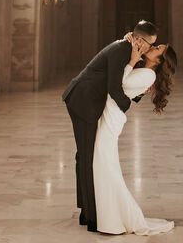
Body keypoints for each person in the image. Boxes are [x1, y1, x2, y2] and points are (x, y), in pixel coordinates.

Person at [62, 20, 158, 233]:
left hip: (86, 100)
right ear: (139, 40)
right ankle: (92, 216)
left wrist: (140, 91)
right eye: (149, 45)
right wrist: (123, 110)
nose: (149, 49)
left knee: (84, 155)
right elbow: (115, 88)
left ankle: (86, 210)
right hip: (83, 100)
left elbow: (124, 83)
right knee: (87, 156)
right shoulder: (122, 49)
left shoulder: (126, 49)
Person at [93, 35, 177, 235]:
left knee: (106, 166)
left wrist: (131, 61)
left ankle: (114, 219)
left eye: (158, 48)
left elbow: (117, 85)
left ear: (159, 60)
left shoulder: (148, 75)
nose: (154, 47)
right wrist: (129, 41)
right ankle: (109, 217)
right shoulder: (145, 71)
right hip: (109, 113)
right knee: (105, 165)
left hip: (111, 118)